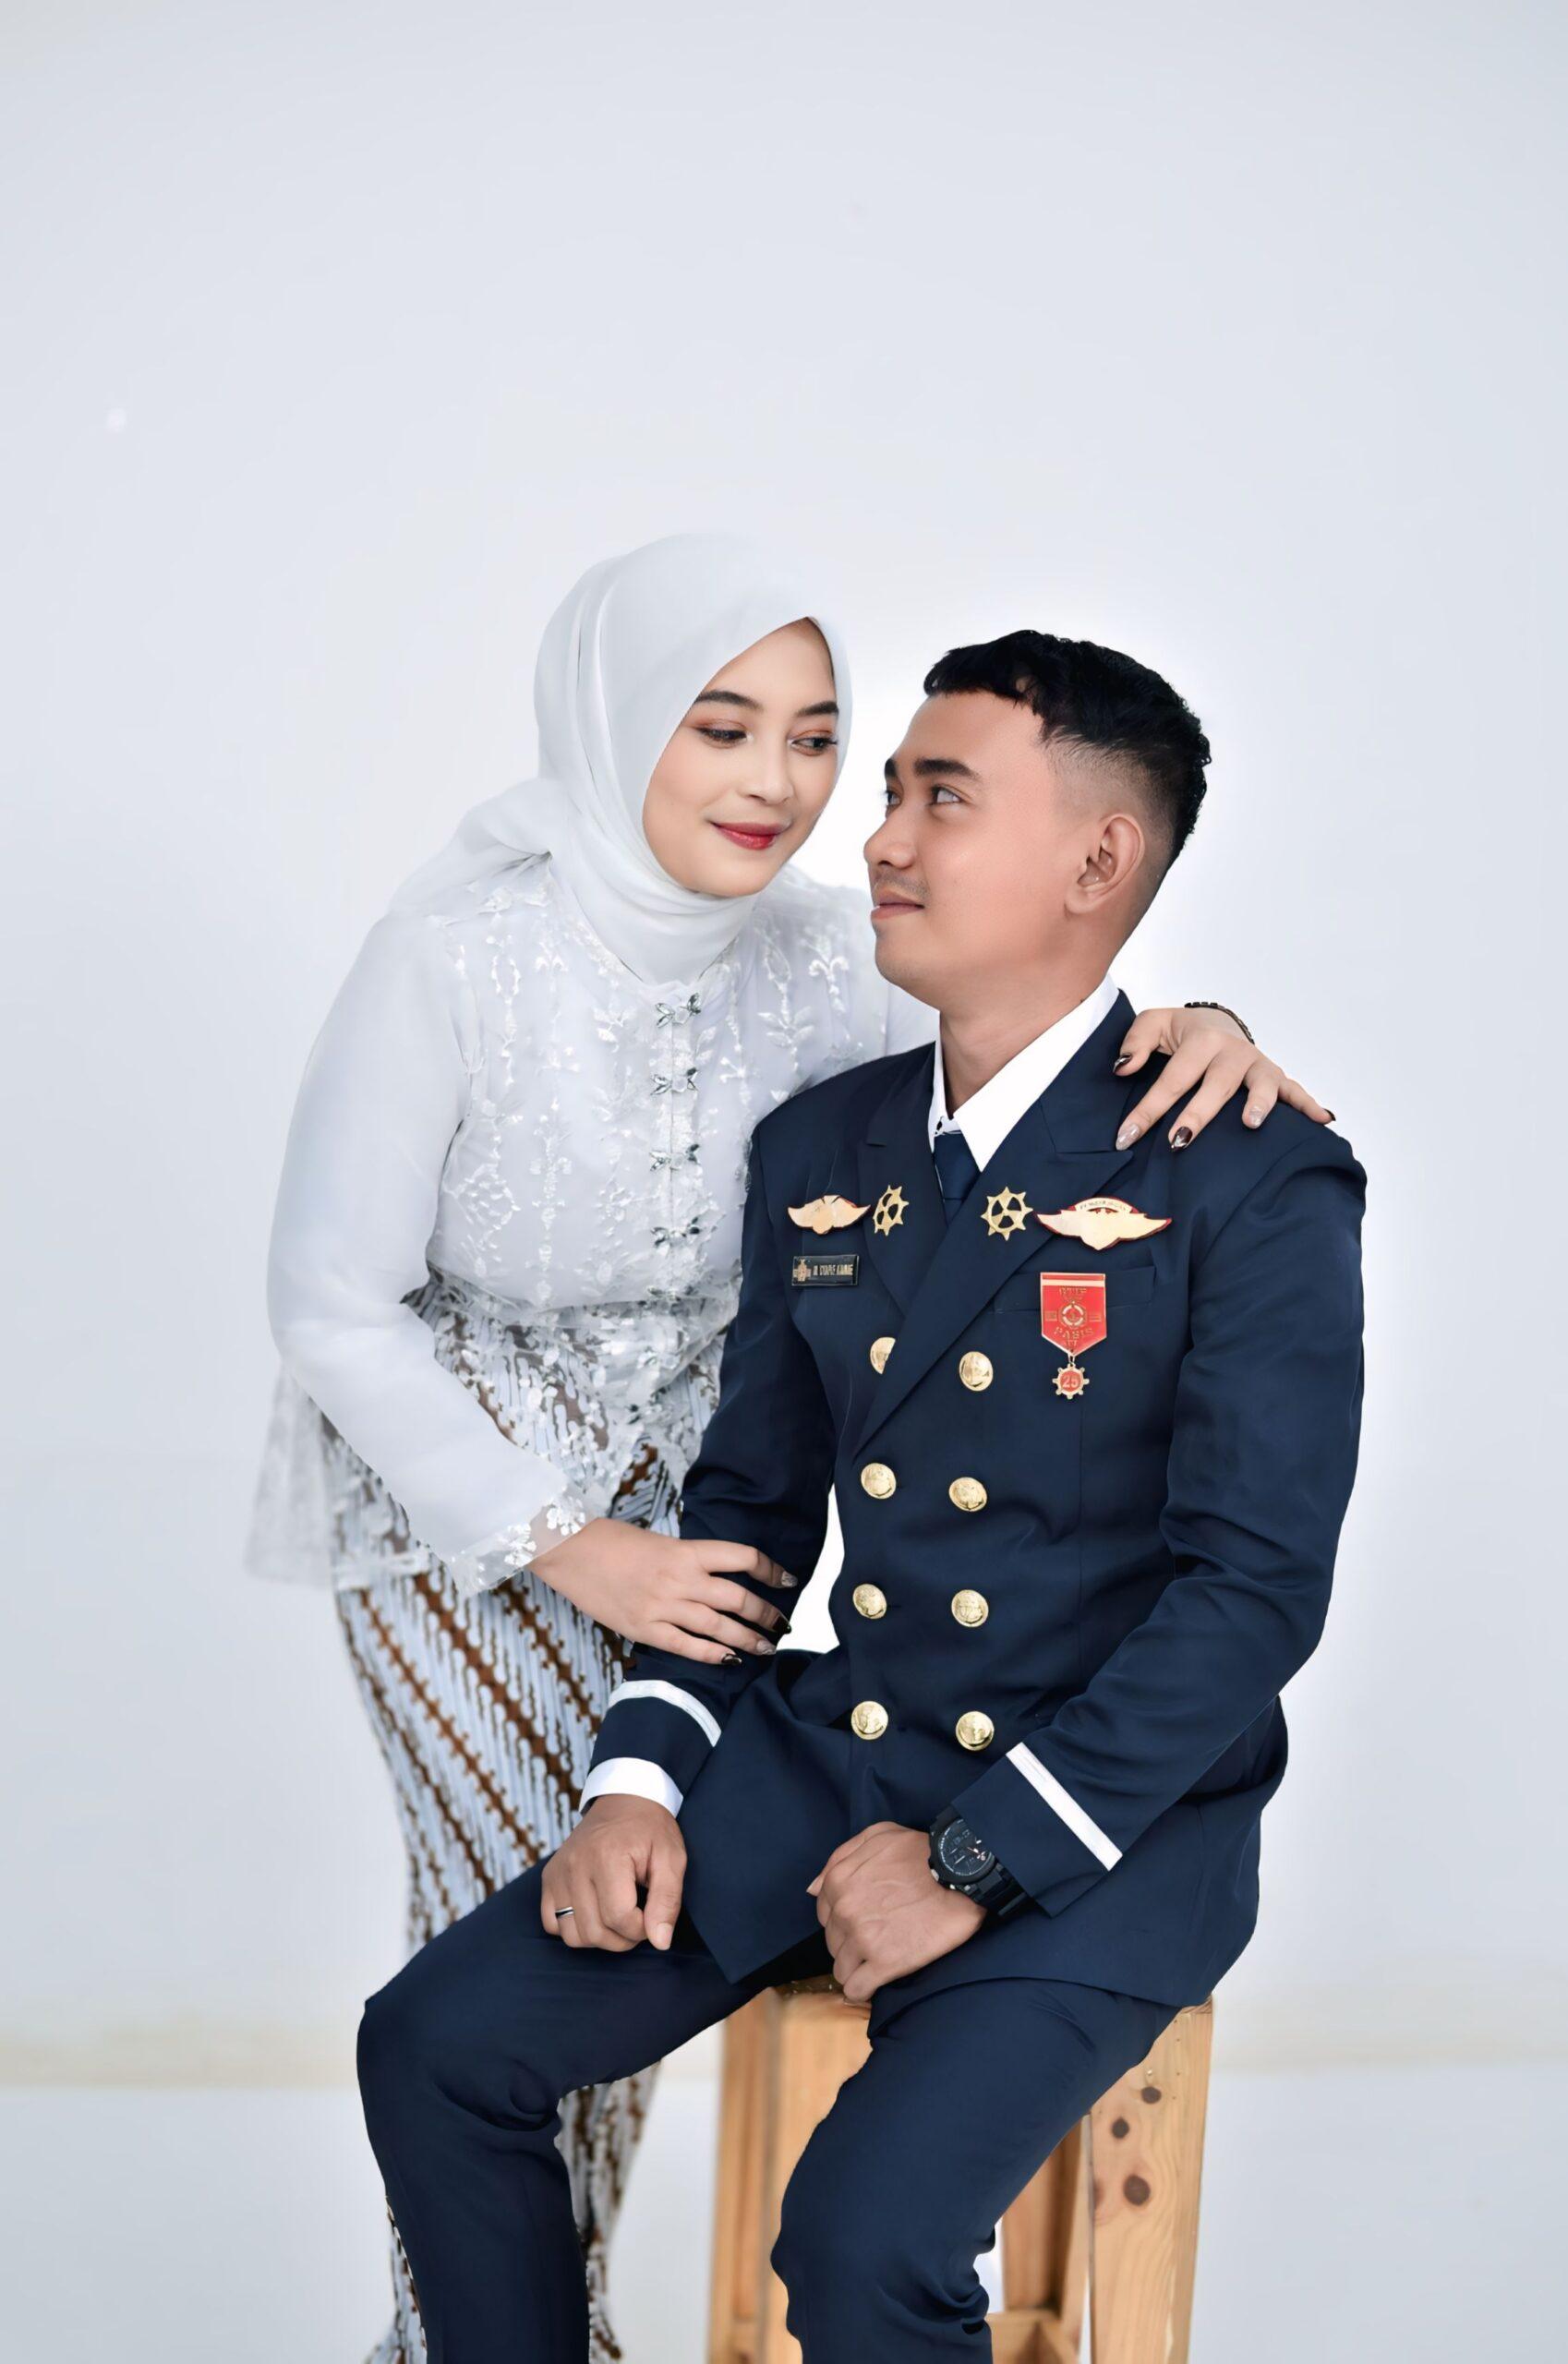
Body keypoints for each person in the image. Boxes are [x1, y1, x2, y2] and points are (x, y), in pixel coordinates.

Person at [247, 536, 1331, 2363]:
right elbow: (721, 1488)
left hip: (1057, 1778)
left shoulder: (1193, 1144)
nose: (845, 818)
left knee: (845, 2230)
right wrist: (628, 1745)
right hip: (658, 1624)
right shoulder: (719, 1083)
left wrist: (964, 1859)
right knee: (456, 2012)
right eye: (864, 778)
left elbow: (1247, 1591)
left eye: (895, 775)